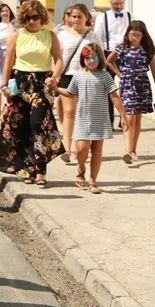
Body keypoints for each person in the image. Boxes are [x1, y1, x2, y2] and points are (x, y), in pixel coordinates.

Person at [0, 0, 66, 185]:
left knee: (38, 125)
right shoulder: (17, 35)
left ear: (42, 17)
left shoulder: (50, 35)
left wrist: (54, 77)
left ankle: (40, 169)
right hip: (20, 82)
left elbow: (59, 60)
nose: (32, 21)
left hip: (42, 83)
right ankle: (26, 169)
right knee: (21, 126)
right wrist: (5, 85)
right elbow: (9, 61)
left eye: (35, 17)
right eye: (28, 18)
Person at [58, 43, 127, 194]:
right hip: (83, 119)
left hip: (100, 119)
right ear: (82, 59)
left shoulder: (105, 76)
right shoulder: (78, 76)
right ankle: (81, 169)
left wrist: (123, 115)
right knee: (81, 150)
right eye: (87, 58)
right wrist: (55, 88)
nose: (91, 61)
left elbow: (114, 96)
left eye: (94, 57)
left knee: (97, 150)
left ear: (100, 58)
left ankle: (92, 181)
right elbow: (70, 93)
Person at [106, 21, 155, 164]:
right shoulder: (121, 48)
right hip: (127, 84)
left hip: (142, 84)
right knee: (129, 116)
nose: (134, 38)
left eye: (138, 35)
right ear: (127, 34)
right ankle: (128, 151)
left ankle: (133, 150)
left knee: (137, 117)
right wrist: (119, 73)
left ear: (143, 35)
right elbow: (109, 61)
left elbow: (154, 69)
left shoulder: (147, 49)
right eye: (132, 34)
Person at [56, 4, 101, 162]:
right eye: (73, 16)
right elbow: (57, 57)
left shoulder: (92, 36)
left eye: (79, 16)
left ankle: (79, 148)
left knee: (83, 114)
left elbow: (99, 57)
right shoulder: (62, 35)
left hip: (87, 77)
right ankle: (67, 149)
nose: (76, 19)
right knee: (69, 112)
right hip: (67, 76)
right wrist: (54, 74)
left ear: (86, 17)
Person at [94, 0, 132, 128]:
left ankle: (125, 119)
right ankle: (108, 121)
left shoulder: (129, 16)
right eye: (116, 4)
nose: (119, 6)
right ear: (110, 3)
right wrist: (100, 58)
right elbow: (97, 38)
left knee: (127, 87)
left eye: (121, 3)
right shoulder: (102, 18)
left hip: (125, 54)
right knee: (107, 89)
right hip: (107, 53)